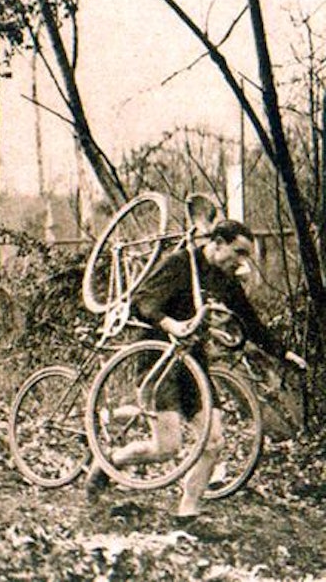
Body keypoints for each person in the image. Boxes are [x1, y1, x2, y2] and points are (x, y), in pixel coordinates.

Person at [85, 219, 306, 522]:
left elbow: (249, 322)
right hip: (157, 358)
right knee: (167, 448)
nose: (241, 261)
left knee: (214, 441)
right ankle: (111, 461)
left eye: (245, 255)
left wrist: (285, 353)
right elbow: (143, 301)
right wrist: (170, 324)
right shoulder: (181, 263)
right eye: (238, 252)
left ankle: (187, 512)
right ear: (217, 243)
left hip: (192, 363)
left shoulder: (224, 278)